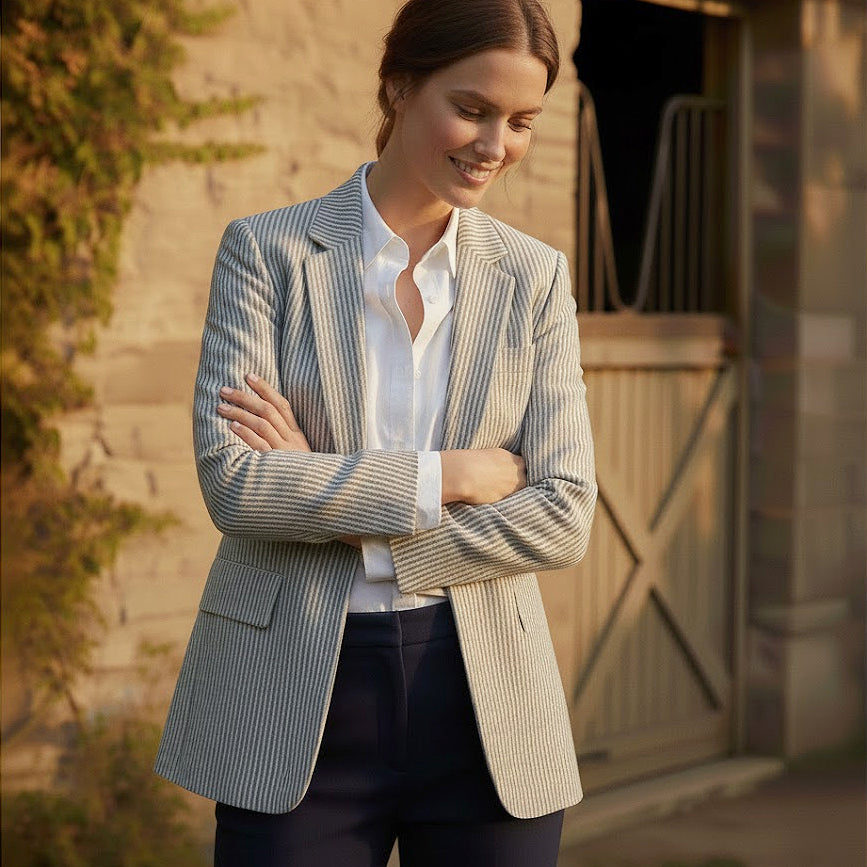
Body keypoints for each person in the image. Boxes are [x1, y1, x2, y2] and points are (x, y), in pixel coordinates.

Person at [155, 0, 597, 864]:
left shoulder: (535, 278)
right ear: (397, 86)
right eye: (471, 108)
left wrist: (333, 499)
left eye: (520, 121)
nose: (495, 144)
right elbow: (237, 486)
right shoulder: (267, 252)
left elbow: (564, 513)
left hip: (486, 700)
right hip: (292, 701)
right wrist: (447, 478)